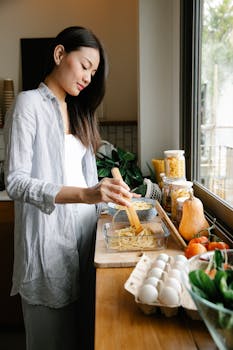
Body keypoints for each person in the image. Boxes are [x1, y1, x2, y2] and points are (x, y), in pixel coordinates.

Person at [4, 26, 134, 350]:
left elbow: (87, 181)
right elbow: (16, 182)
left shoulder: (79, 112)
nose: (89, 77)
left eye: (94, 71)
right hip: (47, 250)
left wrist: (113, 198)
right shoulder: (28, 104)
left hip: (84, 246)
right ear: (60, 54)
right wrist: (87, 194)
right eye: (85, 65)